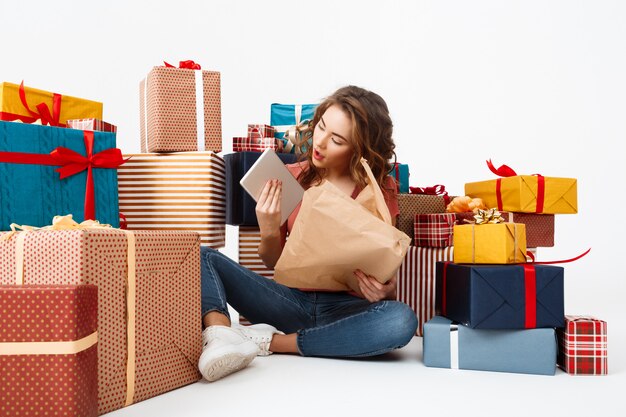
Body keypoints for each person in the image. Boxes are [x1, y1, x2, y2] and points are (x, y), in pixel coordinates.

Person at [199, 86, 418, 382]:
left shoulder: (381, 189)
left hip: (347, 307)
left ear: (359, 149)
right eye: (322, 127)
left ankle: (268, 342)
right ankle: (221, 336)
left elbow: (384, 266)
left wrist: (386, 292)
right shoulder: (292, 175)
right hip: (290, 301)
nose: (321, 142)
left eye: (337, 140)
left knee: (401, 321)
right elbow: (275, 263)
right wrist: (268, 227)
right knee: (202, 257)